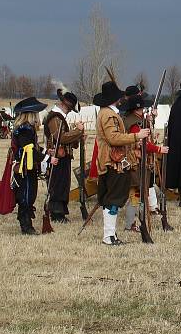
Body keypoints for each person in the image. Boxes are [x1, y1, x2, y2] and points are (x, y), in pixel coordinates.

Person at [94, 81, 149, 245]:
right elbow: (113, 138)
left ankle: (110, 235)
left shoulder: (107, 113)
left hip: (112, 160)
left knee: (111, 199)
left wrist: (133, 143)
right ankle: (109, 237)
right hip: (113, 162)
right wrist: (136, 136)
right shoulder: (109, 115)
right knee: (114, 200)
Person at [122, 95, 168, 232]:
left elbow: (146, 134)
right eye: (141, 108)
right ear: (136, 109)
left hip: (135, 161)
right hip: (135, 162)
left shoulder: (135, 120)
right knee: (135, 194)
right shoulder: (134, 124)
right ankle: (130, 224)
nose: (143, 110)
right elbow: (143, 144)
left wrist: (150, 120)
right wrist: (159, 149)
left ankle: (131, 223)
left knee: (135, 194)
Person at [43, 88, 85, 224]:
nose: (69, 112)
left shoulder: (59, 118)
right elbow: (60, 138)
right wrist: (77, 131)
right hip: (57, 157)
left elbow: (67, 140)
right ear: (64, 105)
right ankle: (56, 214)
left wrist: (78, 136)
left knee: (63, 185)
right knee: (58, 185)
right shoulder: (55, 117)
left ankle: (59, 212)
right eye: (69, 109)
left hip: (63, 157)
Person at [10, 97, 49, 235]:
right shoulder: (25, 129)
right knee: (26, 196)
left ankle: (27, 225)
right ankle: (26, 226)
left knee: (29, 195)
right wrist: (47, 158)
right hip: (25, 168)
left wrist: (44, 152)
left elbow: (34, 147)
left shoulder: (27, 128)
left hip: (29, 167)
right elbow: (29, 149)